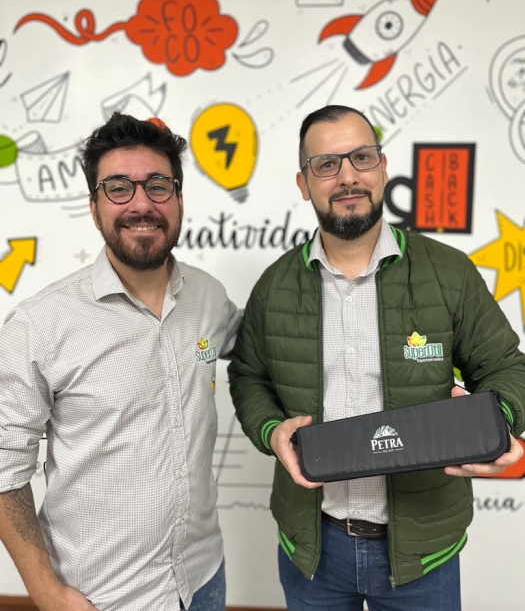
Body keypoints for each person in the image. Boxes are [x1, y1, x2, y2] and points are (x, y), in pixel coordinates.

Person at [228, 104, 525, 611]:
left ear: (383, 168)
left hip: (422, 555)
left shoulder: (448, 273)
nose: (347, 176)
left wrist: (495, 424)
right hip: (313, 552)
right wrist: (271, 430)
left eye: (361, 157)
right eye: (326, 164)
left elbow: (506, 366)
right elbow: (248, 375)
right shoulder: (274, 286)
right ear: (303, 183)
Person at [0, 113, 240, 611]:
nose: (141, 204)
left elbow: (269, 347)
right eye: (118, 188)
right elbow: (3, 470)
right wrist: (47, 592)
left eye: (158, 185)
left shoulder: (209, 298)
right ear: (94, 207)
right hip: (103, 596)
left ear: (178, 199)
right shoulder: (38, 324)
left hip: (203, 579)